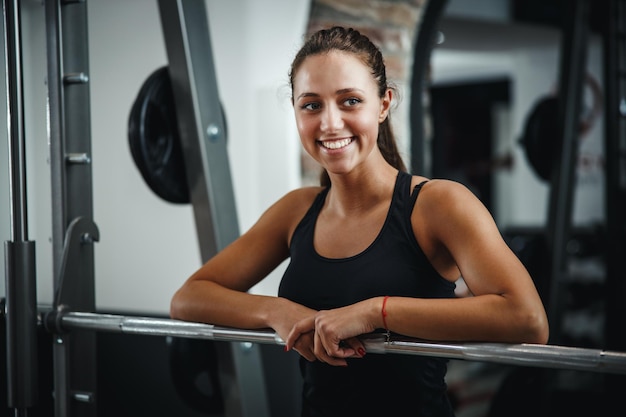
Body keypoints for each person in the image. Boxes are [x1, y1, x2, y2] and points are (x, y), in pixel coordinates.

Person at [170, 26, 549, 416]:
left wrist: (374, 311)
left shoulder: (437, 204)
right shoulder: (297, 210)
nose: (330, 124)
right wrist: (277, 311)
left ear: (383, 104)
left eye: (350, 101)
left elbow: (527, 318)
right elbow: (189, 298)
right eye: (311, 105)